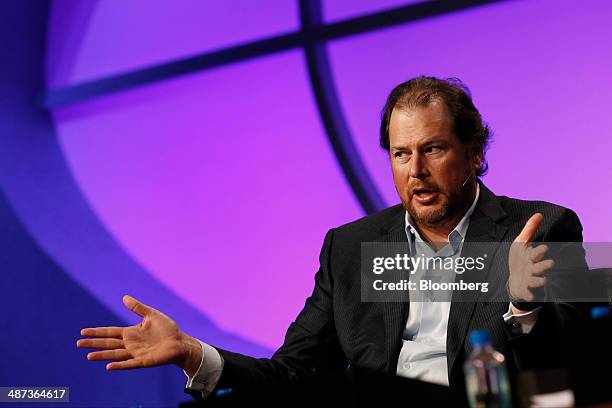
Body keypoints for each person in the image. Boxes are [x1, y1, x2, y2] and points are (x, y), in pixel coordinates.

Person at [77, 76, 589, 400]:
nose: (416, 172)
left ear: (474, 153)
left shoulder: (542, 228)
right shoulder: (350, 248)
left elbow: (575, 368)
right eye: (400, 154)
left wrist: (525, 308)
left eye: (433, 149)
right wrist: (194, 353)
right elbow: (294, 371)